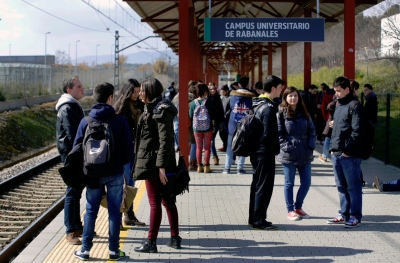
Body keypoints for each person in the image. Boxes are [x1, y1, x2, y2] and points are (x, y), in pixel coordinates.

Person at [73, 82, 133, 261]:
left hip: (92, 174)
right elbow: (128, 152)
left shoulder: (86, 121)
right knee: (114, 211)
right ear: (110, 98)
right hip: (114, 172)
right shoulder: (120, 120)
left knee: (91, 211)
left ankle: (85, 250)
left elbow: (76, 148)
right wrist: (118, 165)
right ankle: (114, 251)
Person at [134, 78, 181, 253]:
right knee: (167, 201)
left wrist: (161, 166)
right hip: (157, 162)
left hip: (155, 164)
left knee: (155, 203)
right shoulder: (154, 108)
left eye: (142, 90)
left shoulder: (159, 111)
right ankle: (175, 238)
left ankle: (151, 242)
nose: (139, 93)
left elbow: (166, 140)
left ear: (150, 92)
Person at [327, 76, 365, 228]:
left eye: (338, 91)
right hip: (336, 152)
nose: (336, 94)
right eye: (335, 91)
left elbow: (357, 131)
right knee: (341, 186)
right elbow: (341, 126)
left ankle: (355, 216)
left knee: (353, 187)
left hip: (348, 155)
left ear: (347, 89)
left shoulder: (355, 106)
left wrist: (347, 152)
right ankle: (344, 214)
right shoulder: (338, 105)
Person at [249, 75, 283, 230]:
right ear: (274, 88)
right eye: (280, 88)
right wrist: (276, 149)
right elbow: (270, 134)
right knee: (264, 186)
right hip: (265, 153)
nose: (281, 91)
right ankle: (259, 220)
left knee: (256, 184)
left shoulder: (257, 103)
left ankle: (253, 217)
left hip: (256, 151)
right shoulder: (268, 108)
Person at [277, 86, 315, 221]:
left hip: (305, 152)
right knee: (289, 183)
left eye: (295, 95)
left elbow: (312, 130)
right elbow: (279, 133)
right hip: (289, 154)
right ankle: (290, 209)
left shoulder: (304, 112)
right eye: (290, 96)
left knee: (306, 183)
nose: (293, 98)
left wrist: (310, 145)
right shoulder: (281, 113)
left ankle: (298, 207)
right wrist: (286, 146)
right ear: (285, 98)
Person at [55, 76, 85, 245]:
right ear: (69, 90)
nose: (83, 89)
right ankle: (70, 231)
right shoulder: (67, 108)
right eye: (79, 86)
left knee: (77, 190)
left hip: (75, 153)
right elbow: (74, 134)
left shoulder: (73, 106)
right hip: (72, 154)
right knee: (73, 191)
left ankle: (77, 226)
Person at [113, 79, 145, 227]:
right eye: (134, 92)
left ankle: (129, 214)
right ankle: (118, 217)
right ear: (127, 91)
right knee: (122, 184)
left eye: (138, 92)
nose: (136, 95)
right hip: (124, 152)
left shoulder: (140, 105)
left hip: (134, 151)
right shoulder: (120, 108)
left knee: (131, 183)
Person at [223, 76, 255, 174]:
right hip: (245, 125)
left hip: (232, 124)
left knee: (229, 146)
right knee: (243, 145)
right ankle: (239, 168)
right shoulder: (251, 96)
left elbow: (226, 109)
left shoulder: (232, 96)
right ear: (248, 84)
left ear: (239, 84)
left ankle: (226, 168)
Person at [189, 83, 215, 173]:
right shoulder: (209, 102)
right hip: (208, 128)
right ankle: (207, 167)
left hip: (196, 128)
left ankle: (199, 167)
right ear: (205, 92)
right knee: (207, 148)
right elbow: (212, 115)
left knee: (198, 147)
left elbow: (191, 115)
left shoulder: (193, 103)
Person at [208, 83, 225, 165]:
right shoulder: (208, 99)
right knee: (211, 140)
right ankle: (215, 157)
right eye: (211, 89)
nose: (213, 90)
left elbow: (221, 111)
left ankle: (215, 157)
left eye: (214, 89)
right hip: (211, 122)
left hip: (217, 123)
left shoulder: (218, 99)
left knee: (211, 140)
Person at [319, 85, 335, 162]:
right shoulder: (337, 96)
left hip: (329, 118)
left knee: (328, 137)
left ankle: (324, 155)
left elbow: (323, 107)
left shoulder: (326, 96)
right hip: (338, 119)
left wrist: (325, 117)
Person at [219, 84, 230, 152]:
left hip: (227, 118)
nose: (222, 93)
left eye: (223, 92)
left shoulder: (230, 98)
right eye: (221, 92)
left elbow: (231, 108)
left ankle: (226, 146)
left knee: (225, 133)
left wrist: (226, 114)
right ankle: (225, 145)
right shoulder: (222, 97)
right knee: (221, 133)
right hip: (221, 118)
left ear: (227, 91)